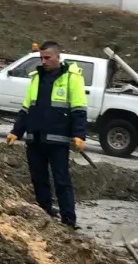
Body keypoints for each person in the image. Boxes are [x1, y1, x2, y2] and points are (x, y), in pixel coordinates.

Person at [5, 41, 87, 229]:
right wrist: (16, 131)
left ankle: (68, 219)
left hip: (58, 140)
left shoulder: (71, 78)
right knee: (38, 179)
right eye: (41, 58)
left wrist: (79, 135)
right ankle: (45, 212)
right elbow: (26, 108)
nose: (43, 61)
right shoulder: (36, 78)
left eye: (47, 58)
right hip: (35, 139)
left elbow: (79, 109)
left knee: (61, 180)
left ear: (58, 57)